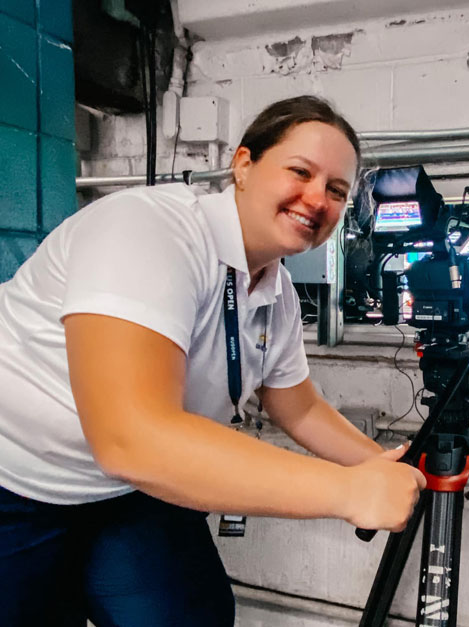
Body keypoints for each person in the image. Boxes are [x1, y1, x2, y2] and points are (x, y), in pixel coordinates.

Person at [0, 95, 426, 626]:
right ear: (243, 166)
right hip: (17, 478)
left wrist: (381, 466)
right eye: (300, 171)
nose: (317, 198)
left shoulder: (278, 291)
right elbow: (130, 437)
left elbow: (299, 408)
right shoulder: (151, 230)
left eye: (336, 190)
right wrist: (346, 492)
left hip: (127, 486)